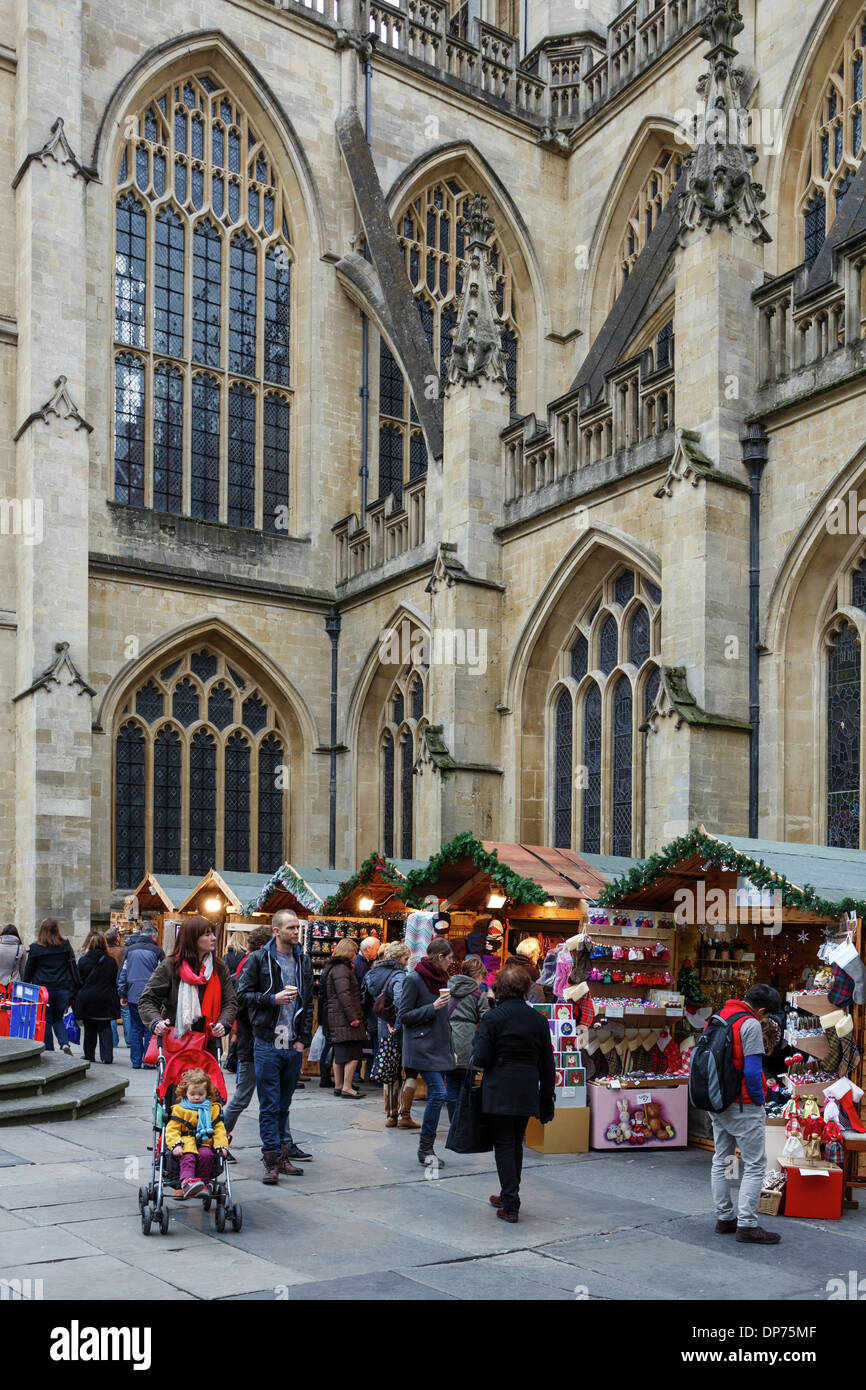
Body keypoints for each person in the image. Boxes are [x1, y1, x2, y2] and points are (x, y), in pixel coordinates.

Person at [470, 961, 556, 1224]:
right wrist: (547, 1099)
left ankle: (510, 1203)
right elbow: (547, 1063)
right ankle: (509, 1194)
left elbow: (481, 1058)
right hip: (527, 1088)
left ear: (499, 988)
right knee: (514, 1142)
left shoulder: (492, 1018)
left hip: (500, 1088)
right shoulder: (538, 1020)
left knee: (505, 1145)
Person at [236, 909, 314, 1184]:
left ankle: (283, 1155)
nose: (296, 931)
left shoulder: (302, 960)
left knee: (284, 1103)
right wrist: (272, 999)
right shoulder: (259, 959)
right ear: (276, 931)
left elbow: (308, 1002)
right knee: (269, 1104)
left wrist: (302, 1040)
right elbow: (241, 994)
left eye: (297, 927)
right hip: (267, 1041)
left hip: (291, 1042)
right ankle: (270, 1159)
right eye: (291, 927)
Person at [707, 983, 783, 1245]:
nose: (764, 1020)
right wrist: (761, 1100)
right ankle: (748, 1224)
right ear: (761, 1010)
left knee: (723, 1159)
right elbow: (752, 1070)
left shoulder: (720, 1016)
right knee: (754, 1164)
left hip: (718, 1101)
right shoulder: (749, 1025)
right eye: (766, 1015)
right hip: (743, 1104)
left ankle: (725, 1217)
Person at [138, 916, 237, 1056]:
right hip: (175, 1042)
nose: (214, 938)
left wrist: (223, 1023)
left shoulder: (219, 968)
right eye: (207, 934)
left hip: (208, 1044)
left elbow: (230, 1002)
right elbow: (147, 1000)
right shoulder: (170, 966)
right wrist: (156, 1022)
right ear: (192, 938)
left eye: (213, 933)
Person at [398, 936, 456, 1168]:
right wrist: (431, 1008)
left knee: (438, 1093)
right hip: (421, 1046)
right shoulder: (414, 979)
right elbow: (404, 1015)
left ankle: (426, 1147)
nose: (452, 962)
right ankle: (425, 1149)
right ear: (440, 957)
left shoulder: (443, 979)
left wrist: (451, 1049)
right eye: (450, 958)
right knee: (439, 1093)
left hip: (439, 1046)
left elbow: (446, 1021)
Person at [223, 924, 273, 1148]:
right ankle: (217, 1140)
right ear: (263, 946)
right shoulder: (250, 965)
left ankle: (282, 1145)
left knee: (274, 1099)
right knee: (242, 1096)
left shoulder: (262, 964)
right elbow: (241, 1005)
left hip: (260, 1040)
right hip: (251, 1041)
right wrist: (269, 1001)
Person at [166, 1067, 229, 1200]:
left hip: (205, 1143)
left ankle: (203, 1184)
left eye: (200, 1094)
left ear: (207, 1093)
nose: (196, 1097)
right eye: (192, 1094)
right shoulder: (179, 1109)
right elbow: (172, 1129)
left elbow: (219, 1129)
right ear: (185, 1093)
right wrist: (175, 1144)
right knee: (188, 1157)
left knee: (206, 1156)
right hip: (185, 1144)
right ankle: (187, 1182)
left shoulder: (212, 1109)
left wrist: (221, 1145)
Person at [365, 939, 410, 1126]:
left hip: (382, 1026)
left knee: (388, 1069)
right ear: (400, 958)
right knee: (399, 1071)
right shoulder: (398, 975)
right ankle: (399, 1114)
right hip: (395, 1028)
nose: (408, 962)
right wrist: (399, 1025)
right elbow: (401, 1002)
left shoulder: (373, 973)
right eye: (406, 958)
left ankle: (389, 1114)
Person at [23, 919, 80, 1053]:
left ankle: (49, 1050)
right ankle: (64, 1043)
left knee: (46, 1020)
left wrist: (26, 986)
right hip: (63, 988)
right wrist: (75, 987)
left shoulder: (35, 948)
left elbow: (29, 970)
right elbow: (72, 967)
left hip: (44, 990)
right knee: (58, 1018)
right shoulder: (65, 945)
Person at [321, 937, 367, 1101]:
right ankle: (347, 1087)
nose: (355, 955)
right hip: (345, 1017)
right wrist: (353, 1017)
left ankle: (339, 1086)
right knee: (353, 1052)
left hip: (337, 1016)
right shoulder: (342, 969)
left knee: (340, 1053)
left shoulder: (333, 967)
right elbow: (344, 995)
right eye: (354, 952)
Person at [445, 956, 490, 1120]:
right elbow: (486, 1019)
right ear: (477, 976)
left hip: (448, 1039)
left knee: (452, 1084)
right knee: (472, 1085)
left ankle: (453, 1123)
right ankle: (467, 1123)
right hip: (469, 1041)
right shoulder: (478, 994)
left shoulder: (447, 989)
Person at [117, 923, 165, 1068]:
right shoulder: (157, 951)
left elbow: (123, 973)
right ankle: (148, 1060)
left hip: (132, 994)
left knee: (135, 1028)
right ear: (153, 936)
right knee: (150, 1027)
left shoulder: (130, 950)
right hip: (151, 997)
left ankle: (136, 1060)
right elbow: (162, 974)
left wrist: (122, 993)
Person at [76, 932, 120, 1065]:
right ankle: (107, 1055)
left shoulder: (83, 960)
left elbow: (78, 980)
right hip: (105, 998)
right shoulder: (111, 962)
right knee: (105, 1027)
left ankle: (89, 1054)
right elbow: (114, 980)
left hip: (87, 998)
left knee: (89, 1028)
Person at [354, 936, 381, 1080]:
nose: (377, 951)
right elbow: (362, 991)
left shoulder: (362, 963)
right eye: (376, 948)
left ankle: (360, 1073)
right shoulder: (360, 965)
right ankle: (358, 1074)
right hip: (362, 1011)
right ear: (368, 949)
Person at [103, 926, 126, 1049]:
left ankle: (113, 1040)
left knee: (111, 1014)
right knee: (126, 1012)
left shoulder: (105, 952)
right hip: (122, 982)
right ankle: (129, 1040)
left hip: (109, 984)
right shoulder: (123, 951)